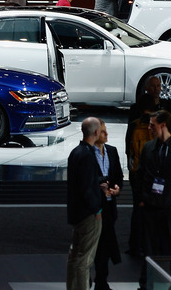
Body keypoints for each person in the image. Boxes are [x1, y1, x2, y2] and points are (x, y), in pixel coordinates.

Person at [137, 110, 171, 290]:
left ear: (163, 125)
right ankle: (146, 286)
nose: (149, 128)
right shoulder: (149, 147)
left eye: (152, 125)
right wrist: (143, 200)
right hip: (150, 207)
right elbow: (141, 175)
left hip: (170, 209)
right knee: (149, 252)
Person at [66, 117, 105, 290]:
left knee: (74, 256)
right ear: (96, 132)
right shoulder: (88, 155)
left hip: (76, 212)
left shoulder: (76, 152)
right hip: (88, 215)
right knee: (84, 260)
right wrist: (97, 210)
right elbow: (87, 188)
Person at [92, 120, 123, 290]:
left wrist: (117, 189)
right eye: (103, 132)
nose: (107, 134)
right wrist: (99, 184)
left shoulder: (112, 151)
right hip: (94, 208)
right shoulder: (87, 153)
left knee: (104, 245)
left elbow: (117, 176)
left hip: (110, 206)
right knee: (94, 245)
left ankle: (101, 280)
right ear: (95, 133)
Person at [125, 93, 157, 257]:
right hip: (154, 176)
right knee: (153, 211)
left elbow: (127, 150)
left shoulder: (134, 125)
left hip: (137, 173)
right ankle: (150, 245)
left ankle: (134, 245)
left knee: (137, 209)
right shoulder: (157, 125)